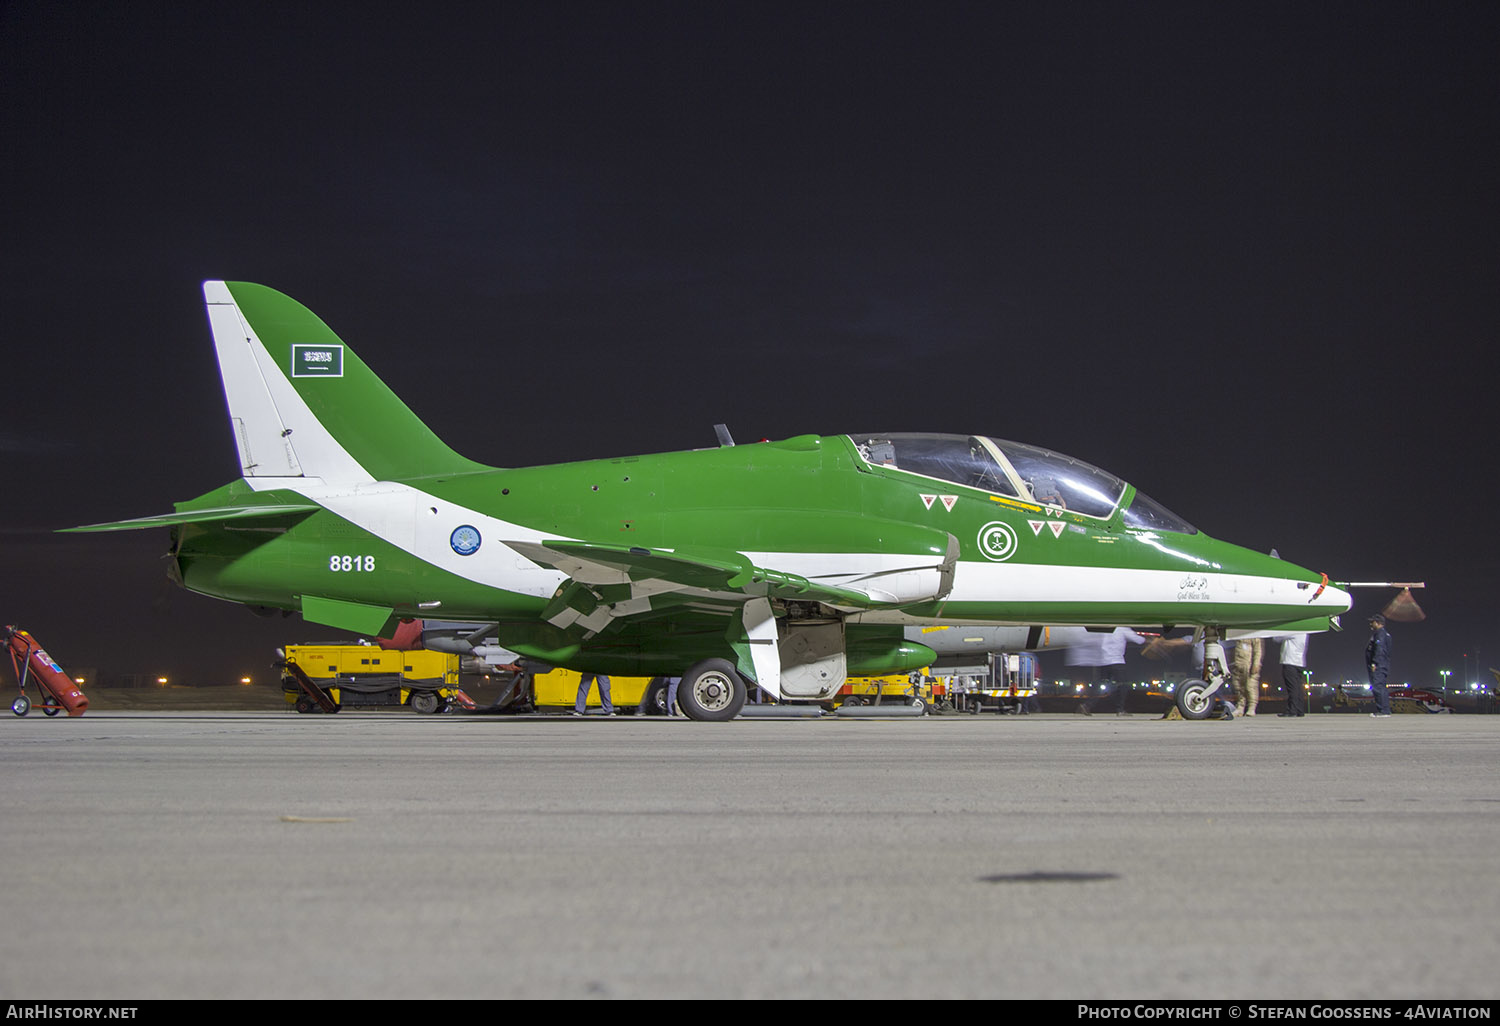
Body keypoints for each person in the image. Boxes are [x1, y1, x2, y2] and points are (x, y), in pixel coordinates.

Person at [1067, 628, 1148, 716]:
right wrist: (1150, 640)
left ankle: (1086, 705)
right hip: (1116, 661)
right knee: (1123, 685)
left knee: (1101, 686)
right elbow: (1139, 640)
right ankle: (1120, 709)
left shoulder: (1105, 628)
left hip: (1103, 661)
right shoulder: (1122, 628)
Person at [1230, 636, 1265, 717]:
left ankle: (1252, 707)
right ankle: (1240, 707)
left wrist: (1256, 664)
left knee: (1250, 687)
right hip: (1238, 665)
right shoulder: (1238, 636)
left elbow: (1258, 651)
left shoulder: (1254, 637)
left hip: (1249, 666)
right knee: (1238, 687)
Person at [1276, 633, 1310, 717]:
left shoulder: (1294, 631)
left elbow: (1277, 638)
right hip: (1299, 662)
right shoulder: (1305, 633)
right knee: (1298, 687)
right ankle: (1299, 710)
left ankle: (1291, 710)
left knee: (1292, 688)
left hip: (1290, 661)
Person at [1366, 614, 1392, 718]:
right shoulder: (1385, 634)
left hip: (1379, 665)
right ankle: (1385, 710)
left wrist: (1374, 663)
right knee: (1381, 686)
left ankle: (1383, 711)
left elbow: (1379, 649)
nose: (1370, 624)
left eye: (1372, 622)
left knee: (1378, 687)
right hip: (1383, 664)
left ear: (1378, 623)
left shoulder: (1380, 634)